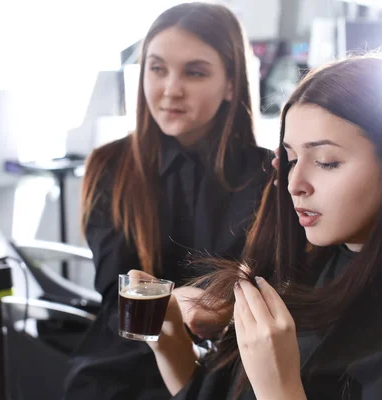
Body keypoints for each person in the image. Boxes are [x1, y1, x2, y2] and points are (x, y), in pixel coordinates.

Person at [142, 55, 382, 399]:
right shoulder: (304, 266)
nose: (294, 183)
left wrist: (278, 387)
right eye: (292, 159)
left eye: (327, 162)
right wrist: (166, 337)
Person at [63, 3, 273, 399]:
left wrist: (222, 308)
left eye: (194, 72)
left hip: (231, 364)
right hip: (125, 360)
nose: (170, 88)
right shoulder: (112, 166)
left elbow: (271, 283)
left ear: (231, 83)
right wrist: (176, 303)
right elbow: (116, 292)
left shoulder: (269, 175)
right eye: (157, 68)